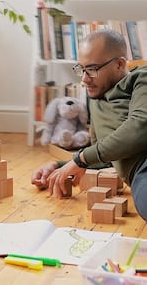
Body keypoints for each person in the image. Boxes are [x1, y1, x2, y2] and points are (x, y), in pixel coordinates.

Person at [31, 29, 147, 221]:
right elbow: (106, 155)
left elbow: (139, 127)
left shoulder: (141, 79)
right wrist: (60, 166)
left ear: (119, 64)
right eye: (81, 69)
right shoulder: (96, 99)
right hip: (140, 175)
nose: (84, 79)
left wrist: (79, 160)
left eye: (92, 69)